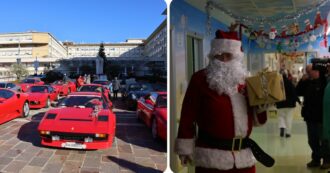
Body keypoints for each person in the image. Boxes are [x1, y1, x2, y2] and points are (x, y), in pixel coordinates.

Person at [174, 30, 273, 173]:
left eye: (228, 55)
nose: (224, 60)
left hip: (243, 159)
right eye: (219, 55)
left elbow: (257, 120)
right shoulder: (200, 79)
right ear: (213, 56)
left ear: (237, 58)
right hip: (211, 159)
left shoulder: (246, 81)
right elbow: (188, 114)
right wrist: (185, 147)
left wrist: (262, 108)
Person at [296, 64, 329, 168]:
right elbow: (297, 92)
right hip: (309, 117)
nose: (308, 73)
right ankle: (316, 158)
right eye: (307, 71)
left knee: (323, 140)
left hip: (321, 117)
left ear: (317, 71)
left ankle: (326, 160)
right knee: (312, 140)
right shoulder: (308, 82)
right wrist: (302, 80)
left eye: (310, 71)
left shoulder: (325, 83)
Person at [276, 69, 300, 138]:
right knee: (289, 118)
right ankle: (288, 133)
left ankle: (282, 128)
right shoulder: (290, 83)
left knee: (281, 117)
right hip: (290, 104)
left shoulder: (277, 84)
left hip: (280, 104)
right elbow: (294, 93)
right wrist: (299, 101)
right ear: (286, 75)